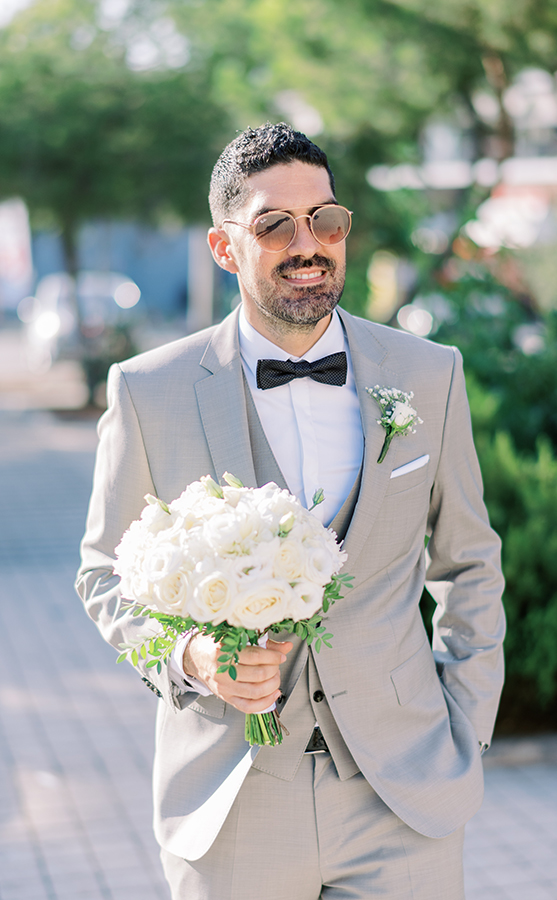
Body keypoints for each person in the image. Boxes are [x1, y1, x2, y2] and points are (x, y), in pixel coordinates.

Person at [77, 122, 505, 900]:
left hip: (401, 793)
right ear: (224, 247)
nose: (309, 243)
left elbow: (471, 559)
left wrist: (466, 723)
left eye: (326, 220)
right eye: (275, 225)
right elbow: (103, 572)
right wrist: (191, 659)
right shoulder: (148, 390)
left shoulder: (428, 372)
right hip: (232, 801)